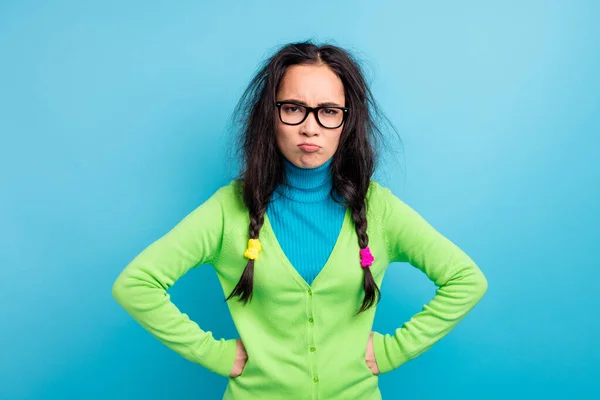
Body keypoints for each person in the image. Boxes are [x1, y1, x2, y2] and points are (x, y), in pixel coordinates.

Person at [112, 40, 488, 400]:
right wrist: (215, 354)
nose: (311, 127)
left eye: (328, 111)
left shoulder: (379, 209)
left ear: (347, 121)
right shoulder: (229, 209)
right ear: (270, 114)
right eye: (293, 108)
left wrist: (393, 351)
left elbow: (465, 280)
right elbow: (136, 285)